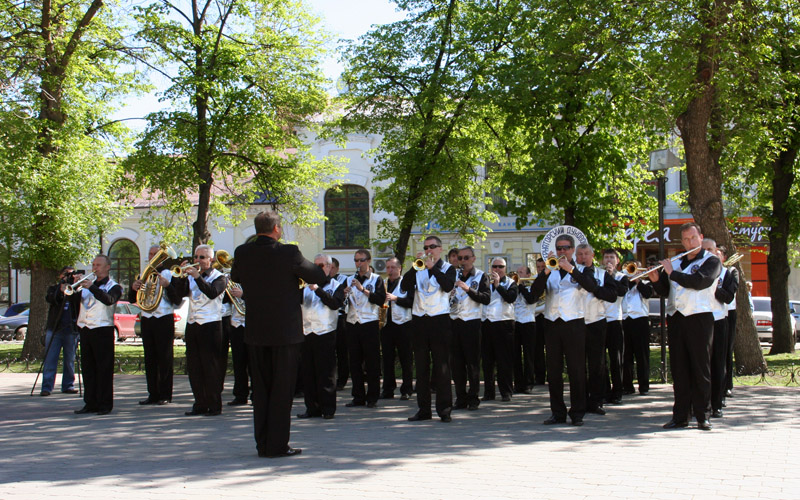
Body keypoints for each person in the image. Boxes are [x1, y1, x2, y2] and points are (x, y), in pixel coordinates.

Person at [230, 211, 326, 458]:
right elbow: (318, 276)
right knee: (282, 392)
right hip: (285, 333)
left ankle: (262, 444)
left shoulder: (243, 252)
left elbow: (236, 276)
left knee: (260, 390)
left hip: (256, 332)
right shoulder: (289, 252)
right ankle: (278, 445)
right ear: (276, 229)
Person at [649, 222, 721, 431]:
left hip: (699, 318)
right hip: (677, 318)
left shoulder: (712, 261)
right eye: (686, 239)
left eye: (693, 238)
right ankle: (680, 415)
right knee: (679, 369)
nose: (690, 242)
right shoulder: (676, 262)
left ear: (701, 236)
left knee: (700, 368)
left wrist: (671, 273)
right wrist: (656, 279)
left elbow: (699, 282)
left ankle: (702, 415)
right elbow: (665, 290)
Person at [531, 235, 601, 426]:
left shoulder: (583, 270)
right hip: (552, 324)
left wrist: (571, 270)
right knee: (553, 371)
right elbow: (533, 295)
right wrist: (545, 272)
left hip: (574, 324)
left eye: (566, 248)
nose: (562, 251)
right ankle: (557, 412)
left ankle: (577, 412)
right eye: (559, 248)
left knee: (577, 370)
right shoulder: (550, 269)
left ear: (572, 250)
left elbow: (592, 286)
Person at [402, 235, 457, 423]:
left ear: (440, 249)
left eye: (432, 247)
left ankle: (445, 410)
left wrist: (433, 268)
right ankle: (423, 410)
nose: (428, 250)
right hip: (419, 321)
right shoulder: (419, 268)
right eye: (426, 247)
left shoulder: (449, 268)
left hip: (439, 321)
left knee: (442, 368)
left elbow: (448, 286)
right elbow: (404, 286)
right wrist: (414, 267)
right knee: (422, 368)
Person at [171, 244, 227, 417]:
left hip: (211, 325)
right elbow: (178, 296)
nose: (198, 260)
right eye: (196, 257)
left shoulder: (220, 277)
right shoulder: (191, 278)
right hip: (193, 324)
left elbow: (211, 293)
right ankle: (200, 403)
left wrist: (197, 278)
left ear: (210, 259)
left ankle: (214, 405)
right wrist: (180, 277)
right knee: (194, 367)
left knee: (211, 367)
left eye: (202, 257)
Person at [129, 245, 180, 405]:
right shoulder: (143, 274)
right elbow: (133, 299)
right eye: (151, 254)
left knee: (164, 357)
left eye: (156, 254)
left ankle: (165, 394)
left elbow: (177, 300)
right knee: (150, 357)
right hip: (147, 318)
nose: (153, 256)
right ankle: (153, 393)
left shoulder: (170, 274)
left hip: (163, 318)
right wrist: (133, 288)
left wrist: (167, 286)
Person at [72, 255, 122, 416]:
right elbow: (75, 304)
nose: (95, 268)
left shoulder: (115, 286)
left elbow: (109, 300)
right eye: (93, 264)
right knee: (88, 368)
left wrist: (92, 287)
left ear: (108, 267)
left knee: (104, 368)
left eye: (98, 265)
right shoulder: (85, 287)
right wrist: (73, 288)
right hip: (86, 329)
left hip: (103, 330)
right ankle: (90, 402)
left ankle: (105, 404)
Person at [298, 254, 345, 419]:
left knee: (326, 373)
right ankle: (312, 408)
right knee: (308, 373)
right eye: (315, 265)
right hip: (307, 332)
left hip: (325, 333)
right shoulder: (304, 286)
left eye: (321, 265)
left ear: (329, 267)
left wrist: (317, 289)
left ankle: (328, 409)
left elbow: (335, 304)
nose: (318, 268)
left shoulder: (337, 285)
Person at [576, 244, 618, 416]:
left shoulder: (602, 274)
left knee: (597, 364)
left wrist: (595, 290)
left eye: (586, 254)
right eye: (580, 254)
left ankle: (597, 400)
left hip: (597, 321)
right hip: (576, 322)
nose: (583, 257)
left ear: (593, 255)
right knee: (578, 365)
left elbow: (612, 295)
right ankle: (580, 400)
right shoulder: (572, 273)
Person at [343, 249, 387, 408]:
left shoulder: (376, 279)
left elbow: (381, 300)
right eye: (356, 260)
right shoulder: (348, 280)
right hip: (352, 323)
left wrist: (363, 290)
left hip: (369, 323)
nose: (358, 264)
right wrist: (344, 294)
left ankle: (372, 396)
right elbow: (340, 302)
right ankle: (358, 396)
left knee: (372, 361)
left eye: (361, 260)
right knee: (354, 361)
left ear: (368, 261)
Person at [450, 247, 489, 410]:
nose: (463, 261)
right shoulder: (452, 276)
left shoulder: (481, 276)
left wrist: (467, 289)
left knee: (472, 363)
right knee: (456, 364)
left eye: (466, 258)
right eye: (460, 258)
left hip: (472, 322)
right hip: (454, 322)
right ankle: (460, 398)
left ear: (473, 258)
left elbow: (486, 298)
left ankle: (473, 398)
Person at [703, 241, 737, 419]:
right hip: (699, 320)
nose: (709, 253)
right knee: (700, 365)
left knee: (718, 363)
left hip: (719, 320)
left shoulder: (729, 273)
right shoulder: (695, 269)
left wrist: (713, 284)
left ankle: (716, 404)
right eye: (706, 250)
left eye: (712, 250)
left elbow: (728, 296)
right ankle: (699, 404)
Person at [482, 257, 518, 402]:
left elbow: (510, 298)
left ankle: (506, 392)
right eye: (494, 266)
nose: (497, 269)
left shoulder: (511, 283)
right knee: (487, 361)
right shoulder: (484, 283)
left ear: (505, 268)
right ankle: (488, 392)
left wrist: (498, 286)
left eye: (500, 267)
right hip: (486, 323)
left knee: (505, 360)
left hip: (504, 324)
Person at [41, 266, 80, 397]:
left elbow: (79, 302)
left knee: (69, 360)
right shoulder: (53, 288)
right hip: (55, 329)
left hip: (70, 329)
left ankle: (68, 385)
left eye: (71, 275)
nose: (68, 277)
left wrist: (75, 286)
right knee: (50, 359)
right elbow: (51, 299)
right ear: (60, 276)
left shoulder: (76, 290)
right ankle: (46, 387)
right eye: (66, 274)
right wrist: (61, 290)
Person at [381, 257, 415, 400]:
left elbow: (412, 302)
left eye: (393, 267)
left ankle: (407, 389)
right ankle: (388, 389)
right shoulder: (382, 283)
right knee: (387, 358)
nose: (390, 270)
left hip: (403, 325)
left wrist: (396, 299)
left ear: (399, 268)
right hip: (386, 325)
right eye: (388, 267)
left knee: (405, 358)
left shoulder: (406, 283)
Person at [600, 249, 628, 405]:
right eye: (606, 257)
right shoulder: (598, 276)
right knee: (600, 359)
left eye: (612, 257)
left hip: (614, 321)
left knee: (616, 359)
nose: (609, 260)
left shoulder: (622, 277)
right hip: (599, 320)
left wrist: (611, 277)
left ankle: (618, 392)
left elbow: (621, 292)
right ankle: (604, 391)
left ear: (617, 261)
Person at [621, 260, 653, 396]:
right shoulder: (623, 283)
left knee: (642, 355)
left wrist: (638, 280)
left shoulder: (646, 283)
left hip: (640, 321)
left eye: (634, 268)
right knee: (626, 355)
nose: (632, 271)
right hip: (625, 320)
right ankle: (627, 386)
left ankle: (644, 386)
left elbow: (647, 294)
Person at [513, 265, 537, 395]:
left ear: (528, 275)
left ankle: (528, 383)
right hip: (515, 322)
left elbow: (531, 299)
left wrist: (521, 286)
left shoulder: (532, 286)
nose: (518, 274)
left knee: (528, 355)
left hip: (528, 322)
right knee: (515, 355)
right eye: (517, 272)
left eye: (521, 272)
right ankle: (518, 384)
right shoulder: (513, 287)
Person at [719, 247, 739, 399]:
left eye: (717, 254)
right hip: (712, 312)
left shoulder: (731, 271)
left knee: (726, 350)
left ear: (724, 257)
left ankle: (727, 385)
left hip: (728, 312)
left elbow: (731, 292)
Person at [227, 284, 249, 406]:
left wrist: (243, 295)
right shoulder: (232, 280)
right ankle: (240, 395)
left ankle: (257, 395)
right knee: (238, 362)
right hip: (236, 324)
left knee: (254, 363)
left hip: (252, 324)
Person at [330, 258, 349, 391]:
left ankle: (342, 379)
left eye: (332, 267)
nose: (329, 270)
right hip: (326, 318)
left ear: (337, 268)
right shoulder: (321, 280)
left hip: (341, 316)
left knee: (342, 350)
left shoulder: (343, 279)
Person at [533, 258, 547, 385]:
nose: (541, 269)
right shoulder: (533, 280)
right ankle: (539, 377)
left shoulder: (551, 279)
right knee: (537, 349)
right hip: (536, 317)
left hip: (548, 317)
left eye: (543, 267)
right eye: (539, 267)